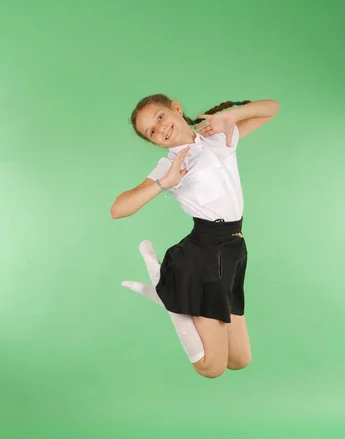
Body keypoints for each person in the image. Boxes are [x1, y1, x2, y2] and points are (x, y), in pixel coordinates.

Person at [110, 94, 280, 378]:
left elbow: (270, 109)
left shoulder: (218, 136)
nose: (160, 128)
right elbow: (118, 209)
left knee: (239, 360)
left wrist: (231, 117)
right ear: (153, 142)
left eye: (160, 117)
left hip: (234, 250)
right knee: (211, 368)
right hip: (204, 255)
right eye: (151, 131)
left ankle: (168, 293)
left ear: (176, 108)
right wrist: (165, 183)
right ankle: (171, 298)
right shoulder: (169, 165)